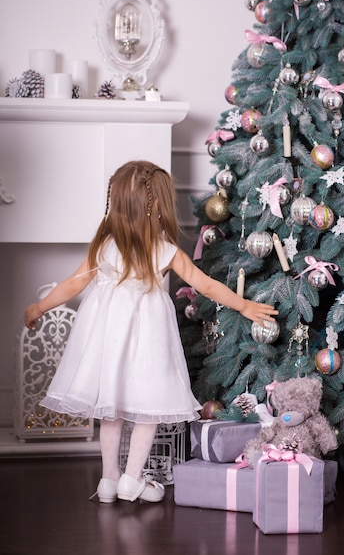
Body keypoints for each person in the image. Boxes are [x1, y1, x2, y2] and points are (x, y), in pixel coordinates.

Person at [24, 160, 278, 504]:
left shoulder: (105, 244)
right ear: (158, 206)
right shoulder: (165, 249)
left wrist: (39, 307)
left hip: (107, 342)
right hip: (148, 341)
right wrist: (244, 305)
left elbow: (73, 284)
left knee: (110, 409)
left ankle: (108, 481)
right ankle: (131, 479)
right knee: (148, 409)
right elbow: (205, 285)